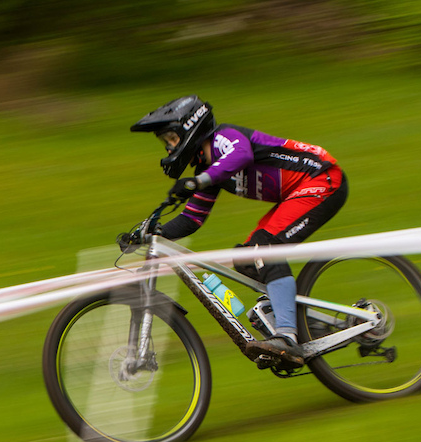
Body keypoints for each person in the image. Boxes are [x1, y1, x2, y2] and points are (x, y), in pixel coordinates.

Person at [130, 95, 348, 366]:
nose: (169, 148)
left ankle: (287, 337)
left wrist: (198, 181)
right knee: (246, 259)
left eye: (171, 139)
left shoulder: (224, 137)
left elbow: (241, 154)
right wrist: (150, 234)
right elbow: (191, 220)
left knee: (265, 250)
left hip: (321, 179)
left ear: (189, 128)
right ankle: (299, 321)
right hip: (297, 191)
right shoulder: (208, 168)